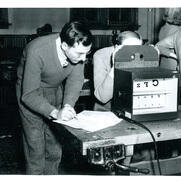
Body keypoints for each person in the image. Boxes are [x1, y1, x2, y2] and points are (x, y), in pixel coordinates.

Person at [16, 21, 93, 174]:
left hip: (55, 90)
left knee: (54, 148)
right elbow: (29, 94)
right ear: (64, 46)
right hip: (30, 94)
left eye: (87, 53)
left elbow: (75, 80)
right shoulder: (37, 50)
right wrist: (55, 113)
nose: (84, 59)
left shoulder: (78, 49)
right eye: (80, 54)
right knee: (35, 150)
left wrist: (68, 105)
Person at [93, 31, 143, 111]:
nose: (134, 53)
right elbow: (102, 97)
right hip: (107, 110)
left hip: (134, 108)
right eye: (128, 49)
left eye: (137, 48)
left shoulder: (142, 55)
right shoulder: (101, 55)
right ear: (117, 47)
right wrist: (116, 66)